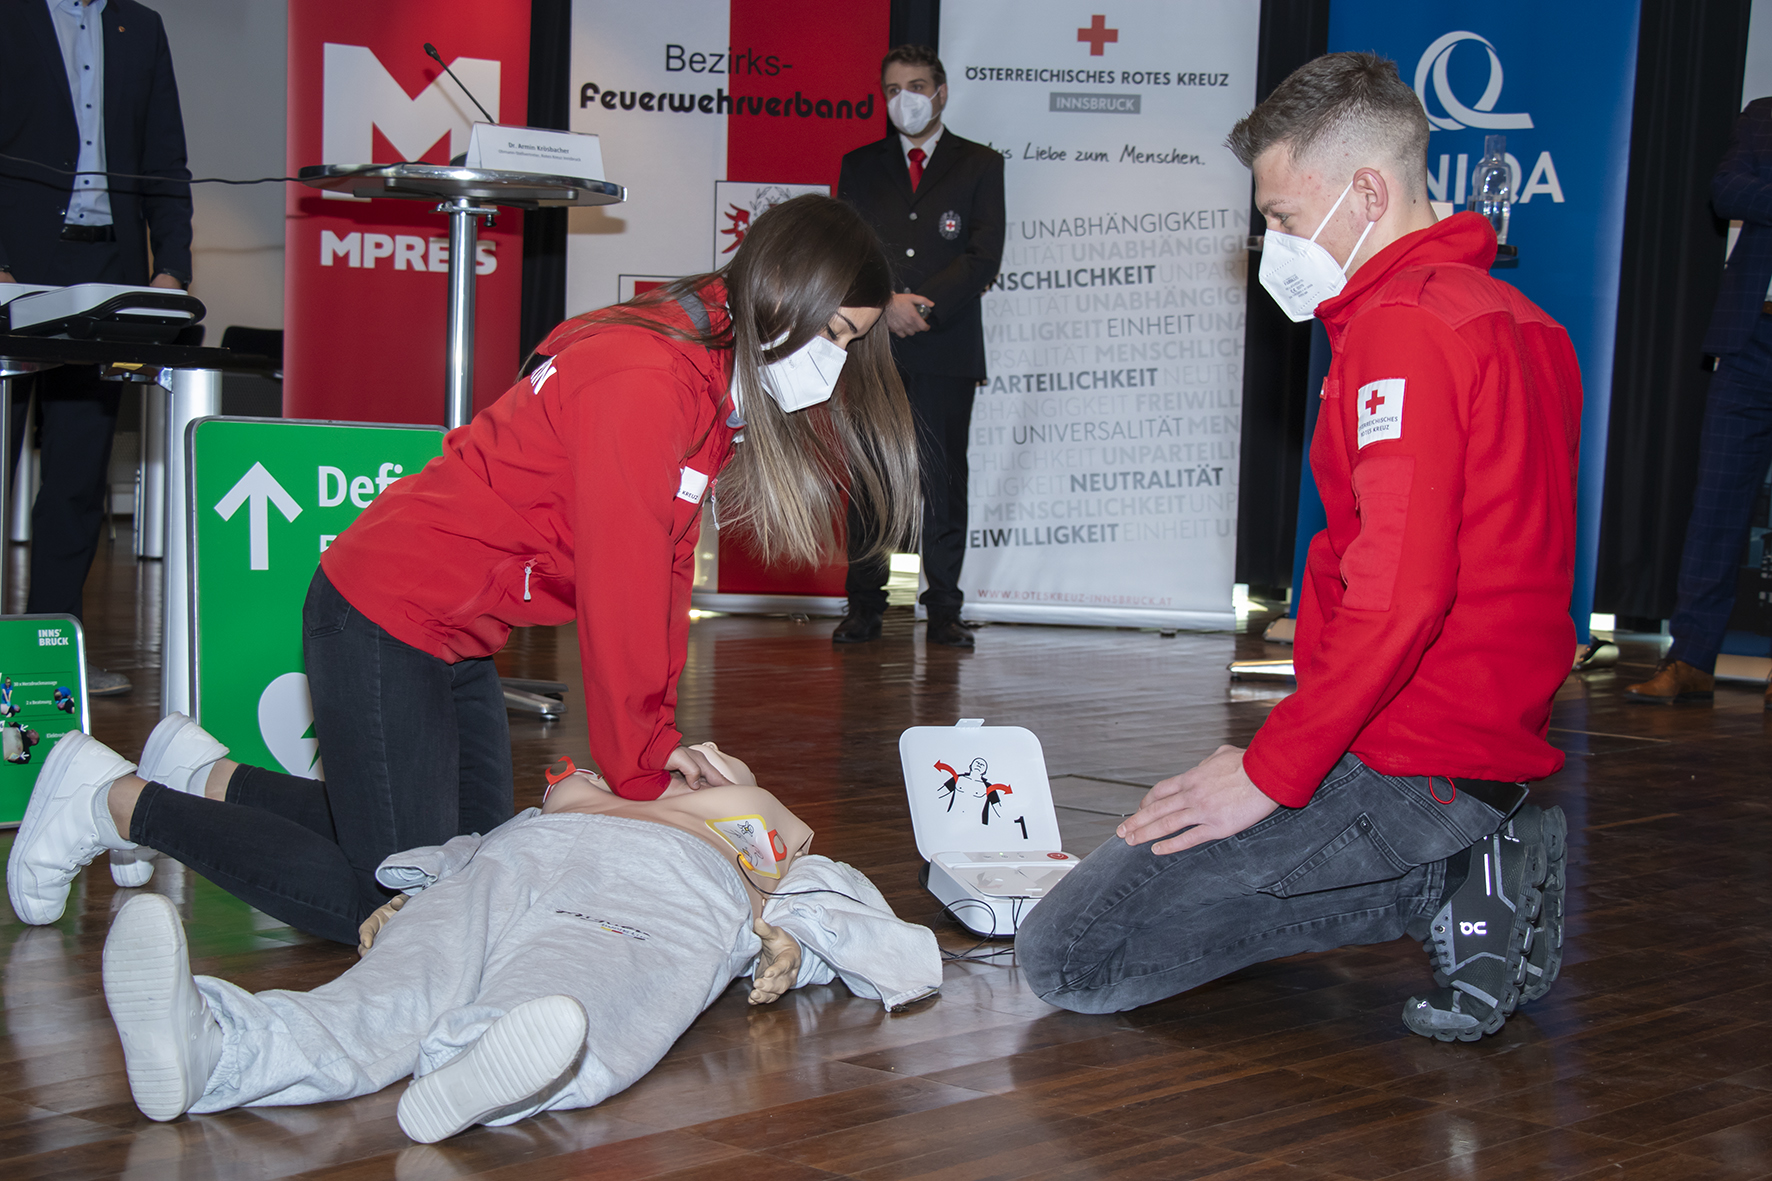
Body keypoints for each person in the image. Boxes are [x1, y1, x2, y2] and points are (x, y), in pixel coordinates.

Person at [7, 195, 921, 944]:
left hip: (457, 637)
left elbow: (668, 565)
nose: (833, 369)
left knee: (467, 861)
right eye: (834, 336)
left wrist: (660, 736)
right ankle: (111, 799)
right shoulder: (648, 379)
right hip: (384, 614)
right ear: (778, 296)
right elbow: (623, 584)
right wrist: (640, 772)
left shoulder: (707, 377)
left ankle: (206, 777)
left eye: (851, 344)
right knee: (406, 907)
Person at [1015, 54, 1576, 1043]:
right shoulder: (1522, 322)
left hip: (1403, 759)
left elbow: (1399, 595)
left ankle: (1445, 876)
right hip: (1469, 743)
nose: (1270, 239)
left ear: (1366, 190)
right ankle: (1471, 847)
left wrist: (1274, 771)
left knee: (1069, 954)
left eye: (1280, 215)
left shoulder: (1402, 331)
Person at [76, 737, 939, 1140]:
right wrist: (416, 889)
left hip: (659, 888)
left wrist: (795, 936)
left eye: (726, 766)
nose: (696, 761)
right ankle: (218, 1048)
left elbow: (879, 933)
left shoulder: (764, 842)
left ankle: (481, 1070)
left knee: (587, 985)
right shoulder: (567, 802)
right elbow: (466, 850)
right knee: (395, 985)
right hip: (509, 863)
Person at [0, 0, 195, 697]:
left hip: (107, 274)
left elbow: (165, 153)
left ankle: (51, 651)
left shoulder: (138, 26)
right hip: (13, 267)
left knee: (78, 479)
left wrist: (170, 266)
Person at [832, 44, 1005, 650]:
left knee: (943, 478)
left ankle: (945, 609)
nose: (904, 98)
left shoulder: (980, 164)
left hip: (948, 346)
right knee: (871, 475)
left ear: (941, 92)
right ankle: (864, 604)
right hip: (874, 347)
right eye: (893, 88)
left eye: (917, 85)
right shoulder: (860, 164)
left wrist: (923, 304)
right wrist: (889, 303)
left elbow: (984, 255)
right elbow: (847, 251)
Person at [1626, 98, 1772, 711]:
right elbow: (1728, 190)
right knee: (1714, 505)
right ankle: (1691, 658)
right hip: (1750, 339)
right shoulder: (1764, 115)